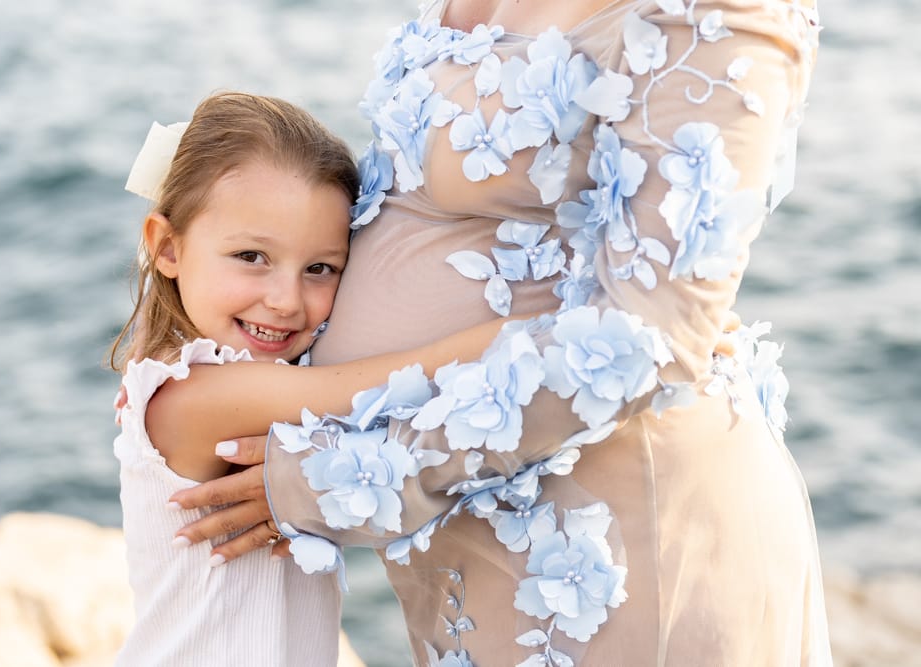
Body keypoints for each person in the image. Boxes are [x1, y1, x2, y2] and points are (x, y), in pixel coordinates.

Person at [152, 1, 831, 664]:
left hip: (621, 549)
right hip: (471, 553)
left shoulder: (721, 11)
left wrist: (341, 478)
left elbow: (650, 341)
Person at [111, 90, 519, 666]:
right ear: (168, 247)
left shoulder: (231, 379)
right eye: (251, 256)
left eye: (320, 268)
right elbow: (400, 379)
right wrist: (545, 328)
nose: (285, 301)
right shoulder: (194, 395)